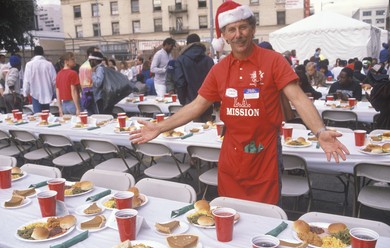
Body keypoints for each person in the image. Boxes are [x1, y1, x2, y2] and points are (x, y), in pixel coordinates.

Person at [130, 1, 348, 205]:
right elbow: (197, 105)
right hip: (232, 156)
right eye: (231, 30)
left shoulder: (274, 61)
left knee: (266, 214)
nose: (238, 35)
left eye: (243, 27)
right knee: (231, 212)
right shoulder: (219, 69)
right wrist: (159, 127)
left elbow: (298, 98)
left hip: (265, 153)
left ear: (252, 29)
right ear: (223, 35)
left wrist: (320, 131)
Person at [175, 33, 215, 122]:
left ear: (187, 44)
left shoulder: (180, 60)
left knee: (192, 131)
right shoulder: (208, 60)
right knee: (207, 129)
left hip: (190, 103)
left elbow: (180, 82)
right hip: (207, 102)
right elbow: (215, 83)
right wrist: (216, 103)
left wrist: (182, 101)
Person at [23, 46, 56, 113]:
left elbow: (26, 81)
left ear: (34, 53)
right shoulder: (49, 64)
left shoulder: (29, 65)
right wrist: (55, 92)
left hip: (35, 94)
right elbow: (54, 80)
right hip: (47, 93)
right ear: (43, 53)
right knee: (47, 116)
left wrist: (25, 94)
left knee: (38, 117)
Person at [55, 52, 81, 116]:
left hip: (64, 104)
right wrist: (78, 108)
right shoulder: (73, 73)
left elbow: (57, 92)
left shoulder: (59, 74)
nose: (75, 61)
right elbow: (73, 91)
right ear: (66, 61)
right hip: (73, 103)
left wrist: (60, 108)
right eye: (72, 59)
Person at [79, 46, 99, 114]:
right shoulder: (93, 67)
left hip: (85, 94)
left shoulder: (82, 66)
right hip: (93, 94)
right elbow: (96, 82)